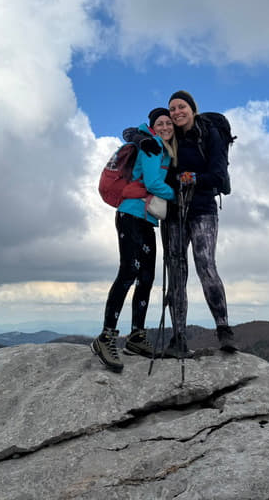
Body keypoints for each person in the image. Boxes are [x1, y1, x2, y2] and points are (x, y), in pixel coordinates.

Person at [91, 108, 177, 373]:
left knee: (146, 277)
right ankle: (106, 336)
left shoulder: (160, 147)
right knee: (129, 272)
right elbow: (152, 183)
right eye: (160, 123)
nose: (165, 127)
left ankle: (136, 336)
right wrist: (178, 194)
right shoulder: (152, 146)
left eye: (169, 123)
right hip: (131, 215)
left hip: (145, 219)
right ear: (152, 127)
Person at [162, 90, 236, 357]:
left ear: (193, 109)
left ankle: (224, 330)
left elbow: (218, 175)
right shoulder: (168, 136)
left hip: (202, 209)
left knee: (206, 266)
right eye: (172, 108)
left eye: (181, 107)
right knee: (176, 273)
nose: (176, 112)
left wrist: (191, 178)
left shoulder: (209, 134)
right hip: (173, 212)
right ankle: (178, 337)